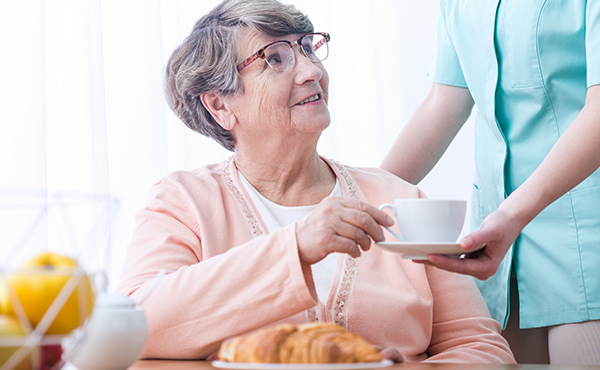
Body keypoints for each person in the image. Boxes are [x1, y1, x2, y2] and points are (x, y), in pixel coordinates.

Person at [116, 0, 515, 363]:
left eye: (307, 48)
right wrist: (296, 246)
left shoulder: (399, 197)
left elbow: (479, 348)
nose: (311, 72)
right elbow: (137, 328)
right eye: (274, 59)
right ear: (220, 104)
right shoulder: (183, 202)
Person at [380, 0, 600, 365]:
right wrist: (357, 194)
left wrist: (513, 213)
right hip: (499, 253)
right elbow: (444, 102)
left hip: (584, 243)